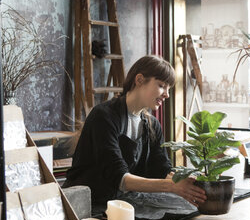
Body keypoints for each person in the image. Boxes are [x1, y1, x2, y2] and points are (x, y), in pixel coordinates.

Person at [64, 55, 206, 209]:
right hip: (85, 207)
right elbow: (120, 178)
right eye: (161, 85)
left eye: (168, 88)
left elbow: (160, 169)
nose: (167, 94)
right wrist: (172, 186)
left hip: (119, 204)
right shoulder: (103, 117)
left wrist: (184, 181)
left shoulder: (152, 125)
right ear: (139, 80)